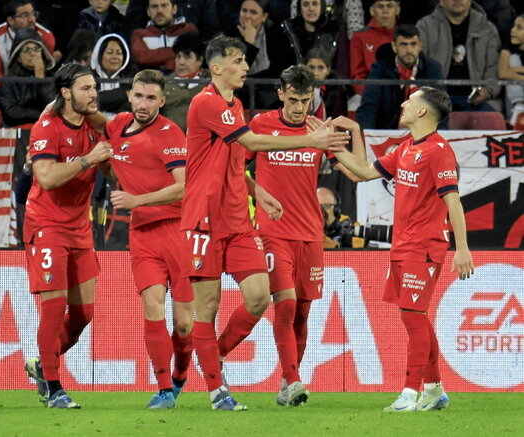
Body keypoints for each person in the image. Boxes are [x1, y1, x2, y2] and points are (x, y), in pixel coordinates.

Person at [181, 34, 350, 411]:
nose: (245, 67)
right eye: (238, 61)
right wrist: (313, 141)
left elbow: (237, 159)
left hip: (240, 220)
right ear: (217, 67)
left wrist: (257, 191)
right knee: (206, 309)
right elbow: (254, 144)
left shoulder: (236, 104)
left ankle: (219, 354)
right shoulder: (206, 102)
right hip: (204, 220)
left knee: (259, 298)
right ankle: (216, 390)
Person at [328, 86, 474, 412]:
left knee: (413, 316)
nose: (404, 104)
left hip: (424, 247)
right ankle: (434, 389)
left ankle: (410, 392)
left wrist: (462, 248)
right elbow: (365, 172)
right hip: (403, 244)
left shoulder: (438, 151)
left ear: (423, 111)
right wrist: (330, 146)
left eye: (411, 101)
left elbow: (453, 201)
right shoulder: (408, 147)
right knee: (415, 316)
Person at [247, 65, 365, 407]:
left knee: (302, 312)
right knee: (283, 305)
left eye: (306, 100)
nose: (300, 108)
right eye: (294, 99)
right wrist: (259, 195)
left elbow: (359, 173)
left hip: (311, 234)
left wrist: (355, 129)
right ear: (281, 93)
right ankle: (295, 380)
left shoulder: (319, 130)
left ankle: (287, 382)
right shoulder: (260, 126)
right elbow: (235, 167)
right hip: (273, 232)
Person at [100, 69, 194, 409]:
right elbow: (100, 138)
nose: (144, 103)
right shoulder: (117, 126)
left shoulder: (170, 134)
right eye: (139, 95)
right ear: (129, 95)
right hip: (143, 236)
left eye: (151, 98)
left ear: (162, 101)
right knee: (152, 306)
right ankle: (164, 387)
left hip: (177, 231)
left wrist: (136, 200)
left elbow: (184, 186)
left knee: (184, 325)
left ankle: (181, 375)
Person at [22, 63, 112, 409]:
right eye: (86, 89)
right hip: (46, 225)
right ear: (65, 93)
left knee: (83, 314)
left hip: (79, 228)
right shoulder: (47, 128)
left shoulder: (94, 126)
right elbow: (45, 177)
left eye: (95, 88)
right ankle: (53, 387)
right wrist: (89, 160)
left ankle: (41, 364)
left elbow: (115, 155)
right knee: (54, 305)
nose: (93, 94)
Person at [416, 0, 500, 111]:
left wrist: (488, 90)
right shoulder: (425, 26)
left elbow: (492, 67)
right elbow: (419, 65)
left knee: (492, 122)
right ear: (441, 1)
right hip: (436, 100)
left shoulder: (487, 28)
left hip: (476, 100)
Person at [357, 24, 443, 130]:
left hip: (424, 134)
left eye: (413, 44)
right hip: (387, 132)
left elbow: (440, 110)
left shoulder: (433, 69)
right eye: (403, 45)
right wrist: (368, 137)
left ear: (420, 46)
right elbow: (369, 108)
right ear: (394, 46)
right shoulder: (380, 69)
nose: (409, 50)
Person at [0, 0, 58, 90]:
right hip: (5, 90)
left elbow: (45, 76)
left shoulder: (46, 36)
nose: (32, 20)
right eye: (25, 15)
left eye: (33, 14)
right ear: (11, 20)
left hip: (37, 89)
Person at [0, 28, 55, 126]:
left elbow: (55, 108)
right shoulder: (8, 81)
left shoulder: (53, 78)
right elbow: (10, 112)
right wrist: (40, 115)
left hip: (47, 128)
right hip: (17, 129)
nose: (32, 53)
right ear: (18, 58)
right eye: (26, 50)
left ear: (42, 53)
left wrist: (40, 79)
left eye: (36, 49)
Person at [130, 0, 198, 72]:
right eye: (154, 7)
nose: (159, 11)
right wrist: (176, 53)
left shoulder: (188, 30)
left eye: (164, 5)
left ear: (174, 9)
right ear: (148, 11)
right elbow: (142, 58)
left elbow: (192, 58)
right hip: (150, 81)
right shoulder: (139, 34)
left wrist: (154, 58)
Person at [349, 0, 400, 96]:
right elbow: (357, 76)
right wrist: (371, 96)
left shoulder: (404, 36)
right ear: (372, 11)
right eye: (380, 6)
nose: (385, 11)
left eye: (389, 6)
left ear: (397, 10)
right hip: (369, 94)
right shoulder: (360, 36)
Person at [161, 31, 207, 131]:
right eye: (178, 56)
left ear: (200, 60)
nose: (181, 62)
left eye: (187, 57)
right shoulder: (164, 83)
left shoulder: (212, 80)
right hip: (170, 139)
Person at [90, 33, 133, 116]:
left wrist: (103, 101)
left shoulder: (131, 78)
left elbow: (136, 106)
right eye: (109, 52)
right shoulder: (88, 77)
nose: (115, 57)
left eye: (119, 53)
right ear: (99, 55)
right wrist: (123, 95)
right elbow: (87, 102)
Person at [305, 48, 347, 120]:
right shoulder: (294, 88)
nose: (316, 73)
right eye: (311, 67)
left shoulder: (337, 90)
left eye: (320, 68)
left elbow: (339, 118)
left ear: (328, 70)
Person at [499, 14, 524, 126]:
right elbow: (503, 73)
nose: (513, 30)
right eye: (514, 26)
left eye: (519, 28)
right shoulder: (507, 49)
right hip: (515, 102)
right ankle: (519, 107)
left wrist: (515, 71)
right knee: (513, 60)